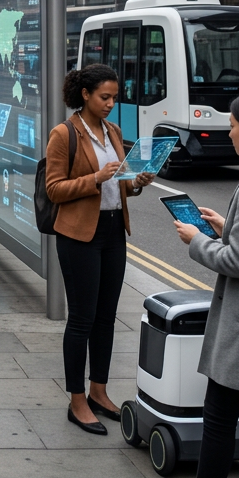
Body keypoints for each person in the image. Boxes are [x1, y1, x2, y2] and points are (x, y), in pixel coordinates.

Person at [142, 92, 239, 478]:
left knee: (219, 418)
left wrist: (197, 239)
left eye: (234, 124)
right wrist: (227, 227)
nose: (229, 131)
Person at [45, 64, 153, 434]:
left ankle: (99, 391)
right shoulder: (63, 134)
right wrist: (95, 177)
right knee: (82, 319)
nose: (110, 103)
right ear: (85, 94)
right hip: (78, 236)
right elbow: (54, 189)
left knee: (106, 317)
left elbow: (120, 186)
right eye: (104, 97)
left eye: (114, 97)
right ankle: (77, 401)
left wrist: (135, 182)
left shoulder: (114, 131)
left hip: (112, 231)